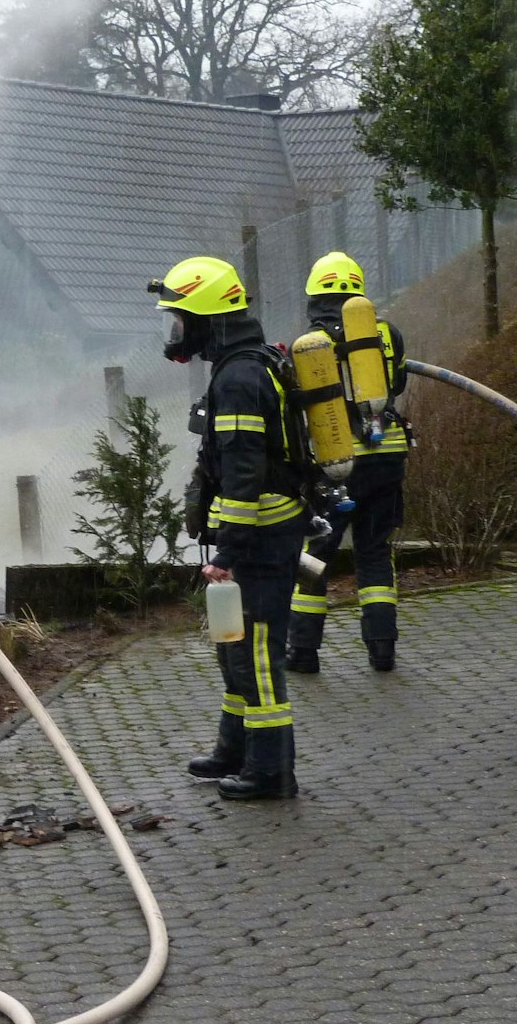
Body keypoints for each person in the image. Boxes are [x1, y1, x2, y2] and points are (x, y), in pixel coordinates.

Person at [158, 255, 313, 799]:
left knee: (257, 652)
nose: (176, 331)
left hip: (261, 539)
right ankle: (235, 748)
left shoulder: (242, 377)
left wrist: (227, 550)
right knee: (233, 645)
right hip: (258, 533)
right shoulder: (244, 364)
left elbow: (245, 471)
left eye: (180, 318)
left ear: (207, 319)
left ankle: (271, 772)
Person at [284, 251, 409, 674]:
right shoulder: (386, 333)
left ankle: (302, 651)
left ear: (314, 295)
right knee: (375, 551)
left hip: (335, 462)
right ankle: (382, 650)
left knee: (317, 552)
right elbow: (398, 383)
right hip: (388, 455)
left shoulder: (309, 344)